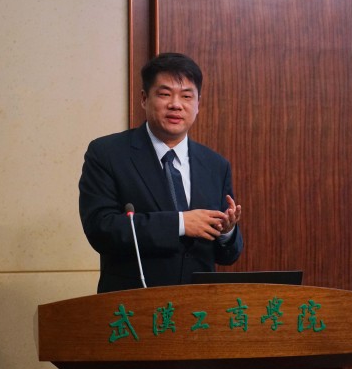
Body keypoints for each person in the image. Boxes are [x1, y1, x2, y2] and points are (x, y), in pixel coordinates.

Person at [79, 52, 243, 293]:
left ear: (198, 104)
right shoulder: (107, 153)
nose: (176, 104)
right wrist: (180, 223)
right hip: (134, 304)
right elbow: (101, 229)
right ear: (144, 99)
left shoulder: (215, 165)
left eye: (186, 96)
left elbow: (228, 255)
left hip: (199, 306)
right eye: (165, 94)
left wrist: (226, 232)